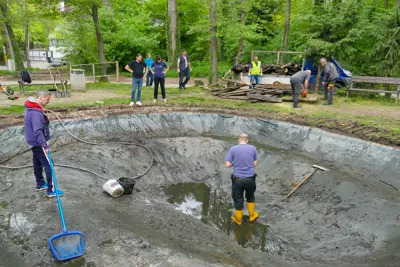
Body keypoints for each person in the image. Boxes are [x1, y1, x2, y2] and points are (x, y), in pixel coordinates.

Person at [24, 91, 64, 198]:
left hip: (32, 141)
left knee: (37, 163)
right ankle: (52, 190)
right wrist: (44, 145)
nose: (48, 101)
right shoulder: (36, 113)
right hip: (38, 142)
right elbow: (38, 131)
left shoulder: (30, 108)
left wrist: (41, 112)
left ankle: (40, 184)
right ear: (40, 98)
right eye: (47, 99)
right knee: (49, 165)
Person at [225, 134, 259, 225]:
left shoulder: (233, 149)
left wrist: (234, 164)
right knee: (250, 196)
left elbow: (227, 164)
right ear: (247, 140)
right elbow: (255, 164)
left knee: (238, 198)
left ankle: (238, 219)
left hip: (238, 179)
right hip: (250, 178)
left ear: (238, 140)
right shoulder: (253, 148)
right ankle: (252, 216)